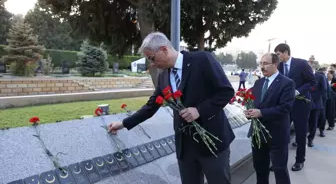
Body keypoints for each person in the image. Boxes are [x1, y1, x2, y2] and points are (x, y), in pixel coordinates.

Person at [107, 32, 235, 184]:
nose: (152, 64)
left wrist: (199, 110)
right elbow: (151, 107)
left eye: (152, 58)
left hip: (212, 143)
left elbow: (226, 92)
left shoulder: (202, 60)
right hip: (185, 148)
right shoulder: (163, 77)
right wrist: (122, 124)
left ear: (164, 49)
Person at [245, 53, 294, 184]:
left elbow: (285, 108)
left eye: (265, 63)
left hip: (277, 134)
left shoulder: (287, 83)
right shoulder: (258, 83)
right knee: (260, 168)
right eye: (261, 63)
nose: (262, 67)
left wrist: (261, 113)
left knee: (279, 169)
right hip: (258, 134)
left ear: (275, 64)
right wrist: (250, 112)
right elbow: (255, 104)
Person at [275, 43, 316, 171]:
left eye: (278, 54)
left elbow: (312, 81)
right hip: (285, 106)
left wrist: (298, 91)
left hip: (301, 105)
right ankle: (279, 161)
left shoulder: (301, 64)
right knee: (281, 133)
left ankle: (300, 160)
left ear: (286, 53)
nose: (277, 57)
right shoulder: (278, 66)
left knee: (300, 134)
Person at [306, 60, 327, 147]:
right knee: (301, 123)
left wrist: (312, 98)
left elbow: (323, 89)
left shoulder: (320, 77)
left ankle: (310, 139)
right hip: (304, 103)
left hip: (316, 104)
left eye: (309, 67)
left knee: (313, 123)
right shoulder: (304, 76)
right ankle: (299, 139)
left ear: (313, 67)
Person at [316, 67, 329, 137]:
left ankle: (321, 130)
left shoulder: (321, 76)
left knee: (321, 115)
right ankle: (321, 130)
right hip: (321, 98)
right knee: (320, 115)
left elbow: (325, 88)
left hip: (321, 99)